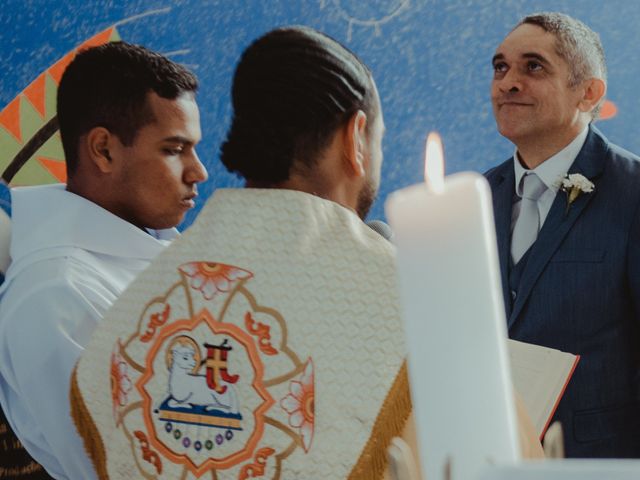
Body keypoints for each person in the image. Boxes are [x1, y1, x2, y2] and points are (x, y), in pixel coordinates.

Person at [71, 26, 542, 480]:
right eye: (377, 142)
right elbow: (501, 461)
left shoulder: (139, 310)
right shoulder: (413, 301)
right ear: (355, 139)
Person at [0, 41, 208, 479]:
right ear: (104, 150)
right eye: (174, 150)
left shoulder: (158, 249)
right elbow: (129, 471)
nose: (198, 171)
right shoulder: (57, 293)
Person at [486, 12, 640, 457]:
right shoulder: (470, 200)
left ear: (588, 92)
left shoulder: (633, 193)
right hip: (489, 458)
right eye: (500, 67)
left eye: (533, 66)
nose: (508, 83)